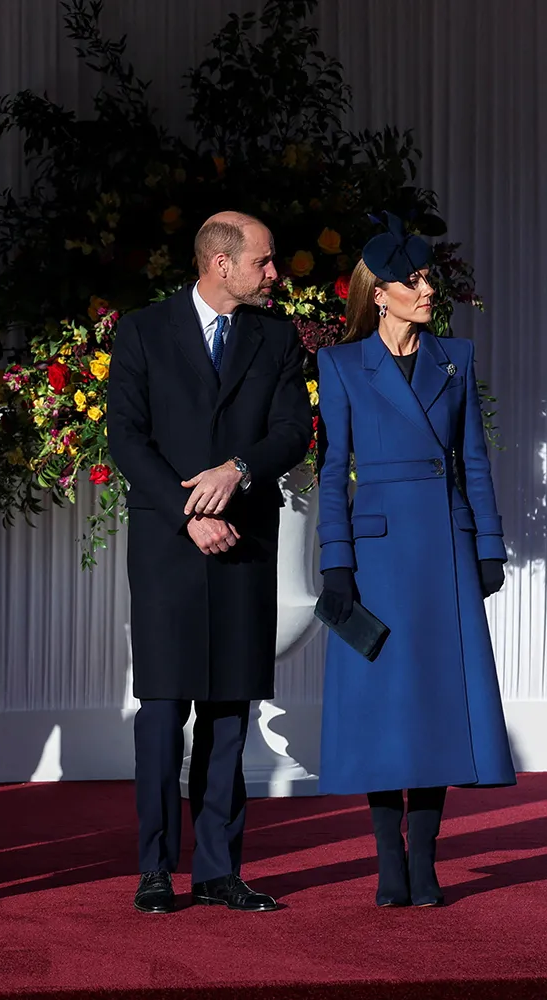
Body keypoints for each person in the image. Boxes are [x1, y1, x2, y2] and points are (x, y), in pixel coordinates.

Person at [107, 211, 310, 915]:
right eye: (265, 261)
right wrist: (190, 513)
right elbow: (127, 440)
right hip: (169, 544)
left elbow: (292, 431)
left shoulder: (277, 337)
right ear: (221, 264)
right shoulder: (141, 331)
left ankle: (221, 870)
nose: (275, 274)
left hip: (246, 543)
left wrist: (238, 469)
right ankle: (155, 870)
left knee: (230, 711)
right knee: (163, 711)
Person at [314, 212, 514, 908]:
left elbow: (476, 463)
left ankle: (424, 861)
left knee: (432, 702)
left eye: (428, 278)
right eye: (415, 280)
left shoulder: (455, 357)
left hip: (445, 548)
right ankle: (386, 861)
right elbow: (333, 468)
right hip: (374, 554)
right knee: (382, 706)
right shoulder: (338, 364)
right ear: (381, 293)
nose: (427, 289)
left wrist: (488, 545)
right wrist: (335, 562)